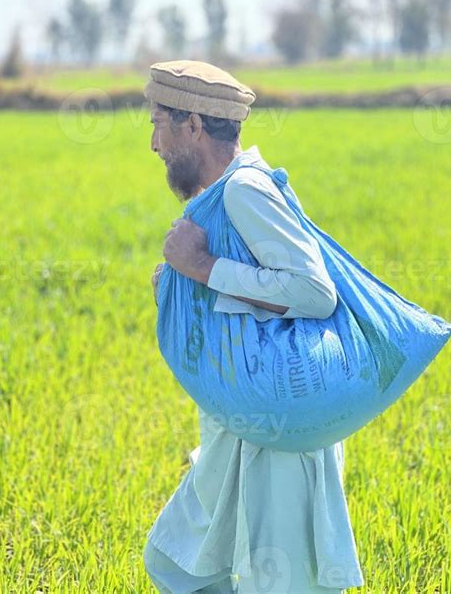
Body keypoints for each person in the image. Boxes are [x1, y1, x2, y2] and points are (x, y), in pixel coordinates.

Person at [143, 60, 365, 593]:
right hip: (244, 421)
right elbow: (254, 289)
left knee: (283, 584)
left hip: (277, 428)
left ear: (193, 125)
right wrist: (183, 286)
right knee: (176, 561)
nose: (153, 143)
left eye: (158, 122)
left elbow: (313, 292)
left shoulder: (246, 190)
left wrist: (200, 268)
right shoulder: (224, 196)